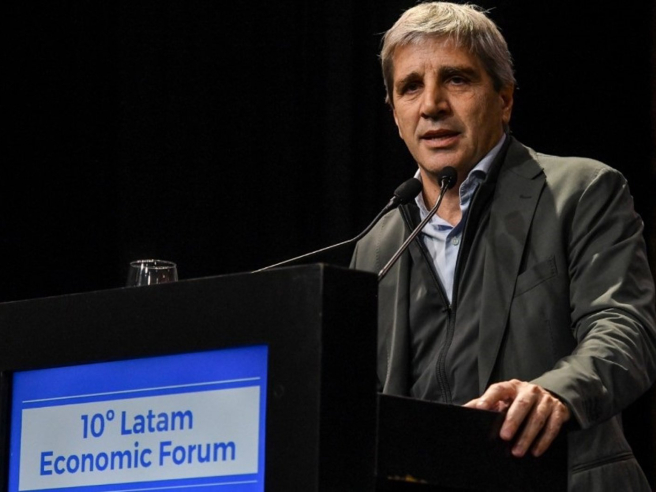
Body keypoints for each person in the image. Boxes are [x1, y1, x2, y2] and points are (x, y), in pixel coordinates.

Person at [350, 2, 656, 490]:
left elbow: (624, 331)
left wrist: (556, 393)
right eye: (411, 87)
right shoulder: (376, 244)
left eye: (456, 79)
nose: (431, 105)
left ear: (504, 99)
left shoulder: (579, 192)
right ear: (395, 115)